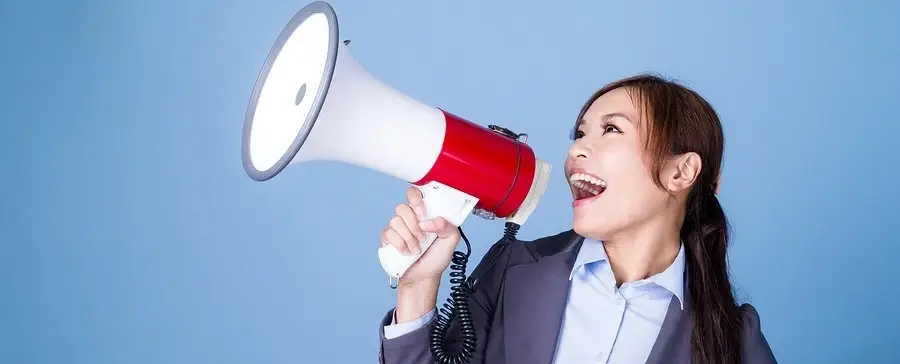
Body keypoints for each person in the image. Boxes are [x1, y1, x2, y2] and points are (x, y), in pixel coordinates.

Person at [376, 74, 777, 364]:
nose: (577, 151)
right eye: (580, 134)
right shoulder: (513, 271)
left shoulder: (733, 338)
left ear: (681, 172)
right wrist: (418, 285)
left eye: (611, 130)